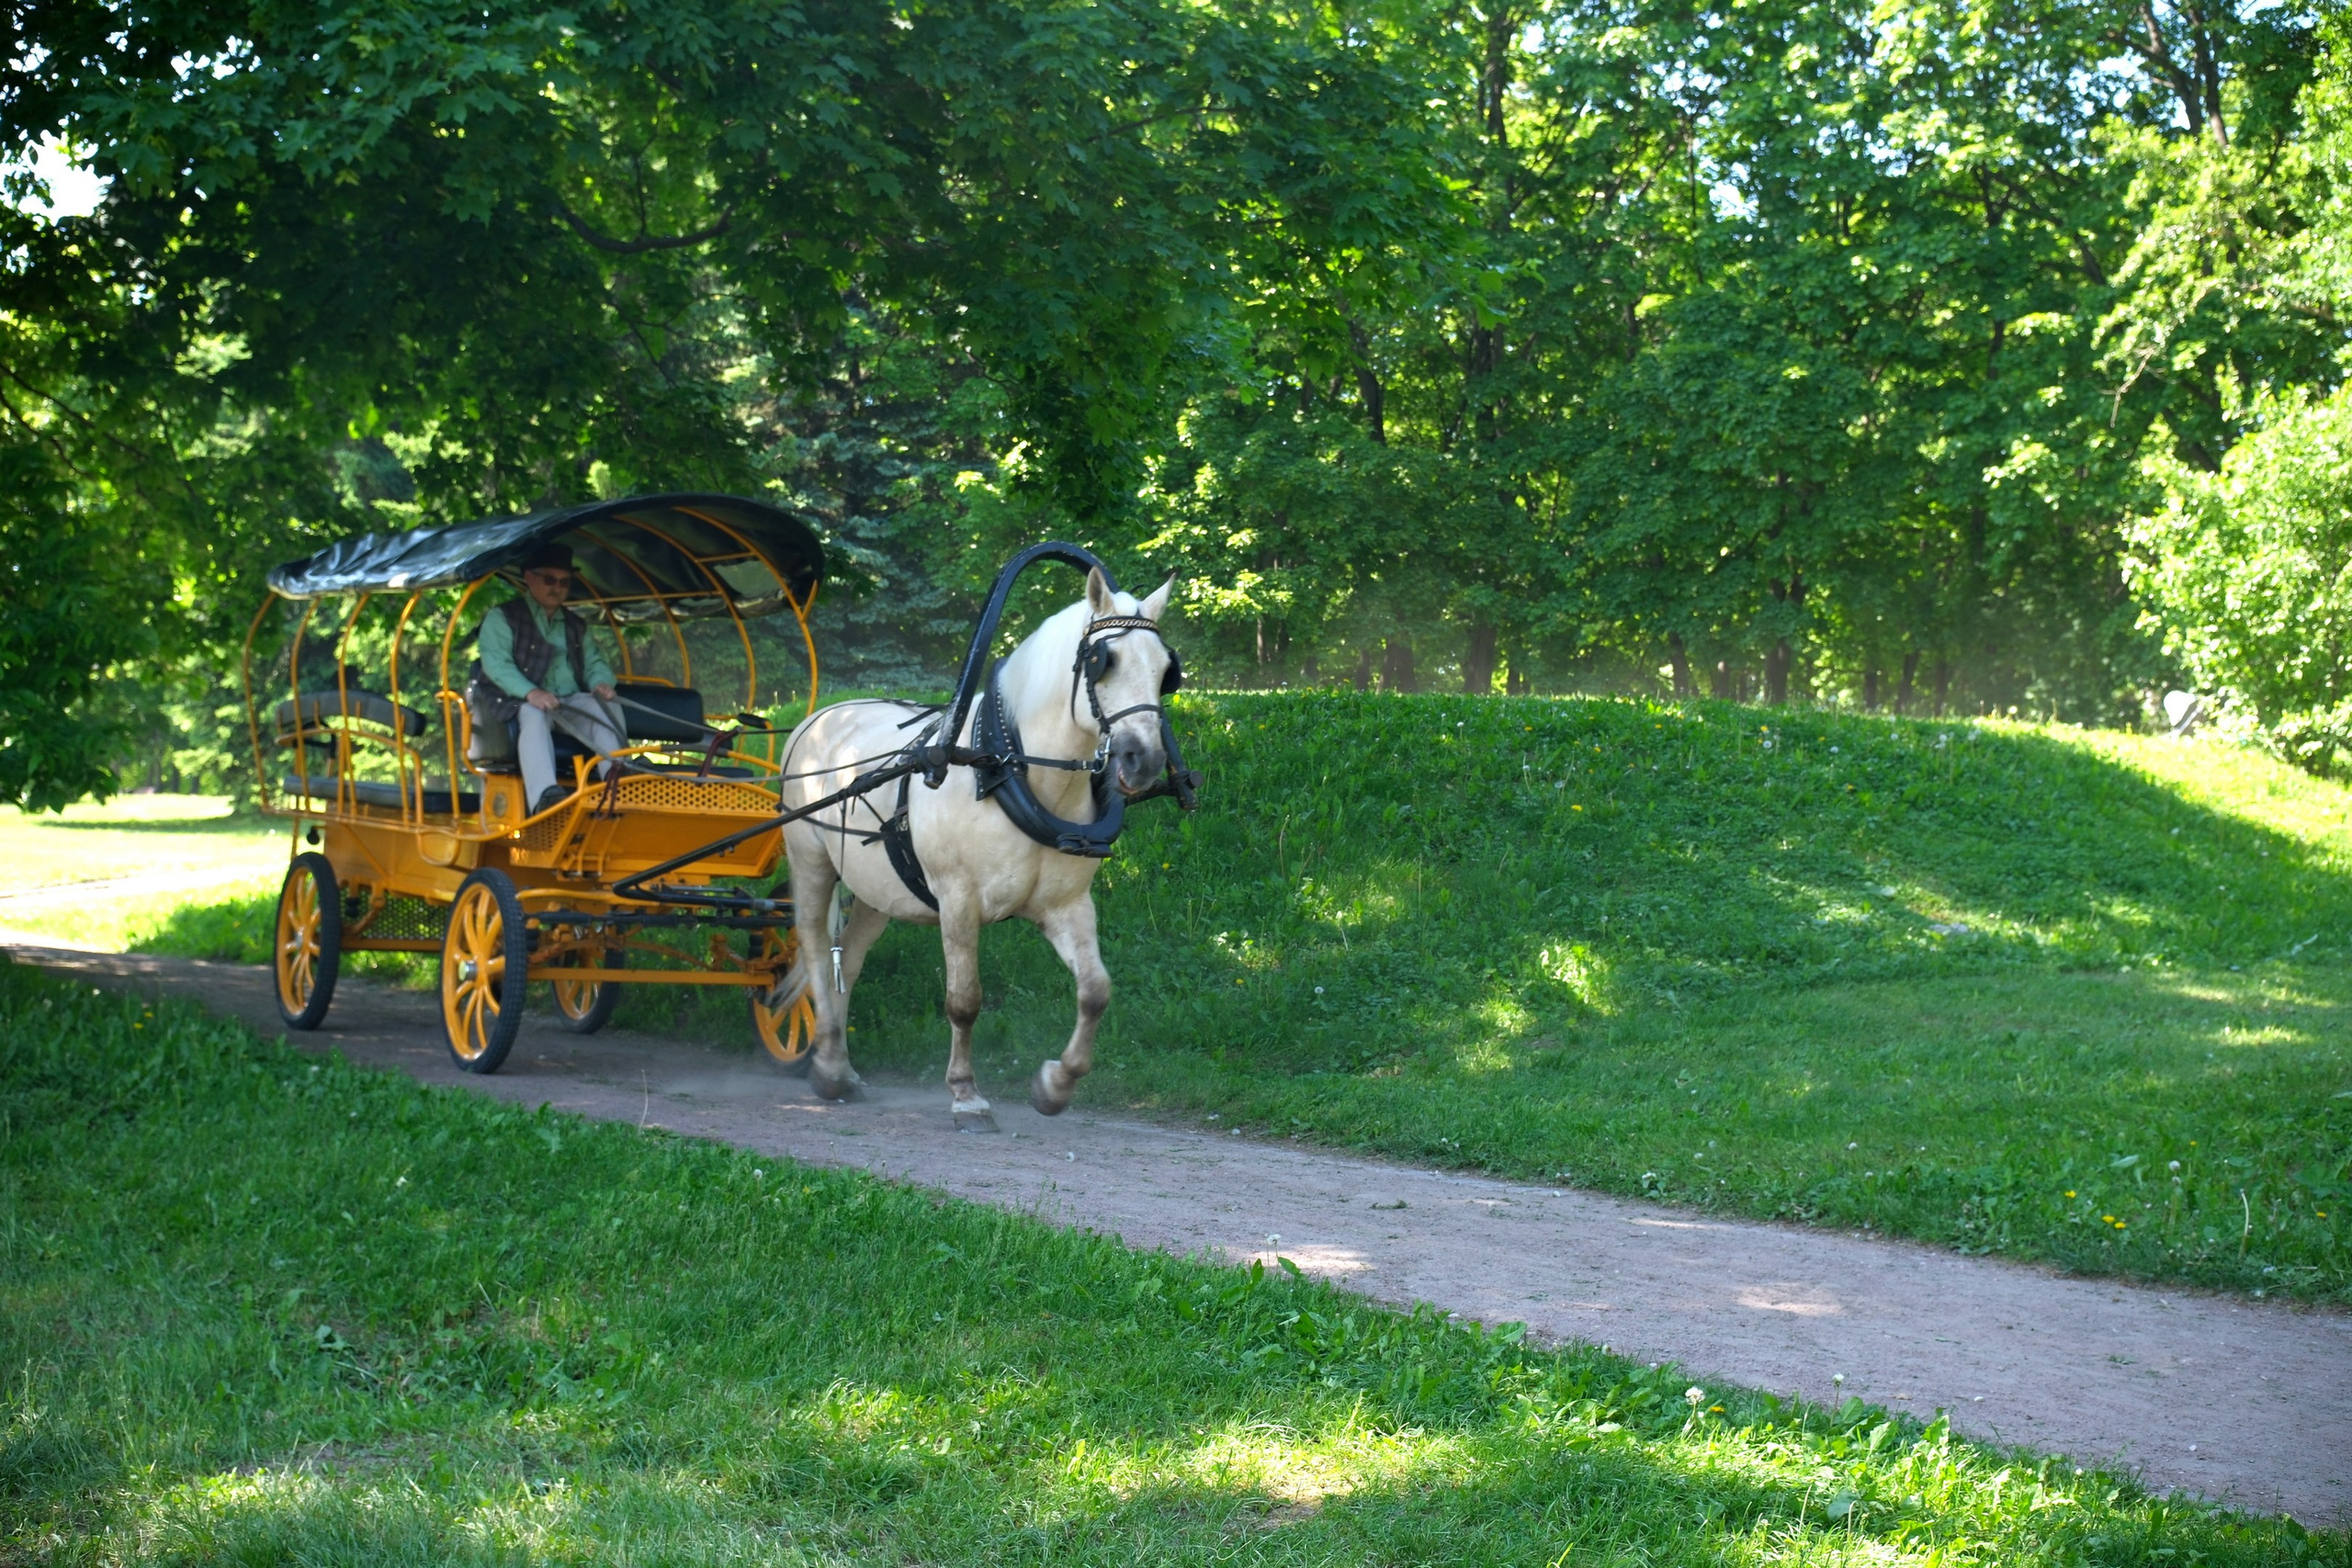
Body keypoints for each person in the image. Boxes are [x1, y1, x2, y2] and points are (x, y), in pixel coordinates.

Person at [467, 544, 624, 812]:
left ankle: (618, 782)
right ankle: (545, 797)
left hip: (568, 703)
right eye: (550, 580)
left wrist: (601, 683)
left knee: (605, 706)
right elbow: (497, 665)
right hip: (516, 702)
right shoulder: (502, 617)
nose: (558, 587)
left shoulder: (576, 625)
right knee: (532, 713)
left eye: (564, 582)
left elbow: (594, 663)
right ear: (529, 577)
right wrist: (531, 692)